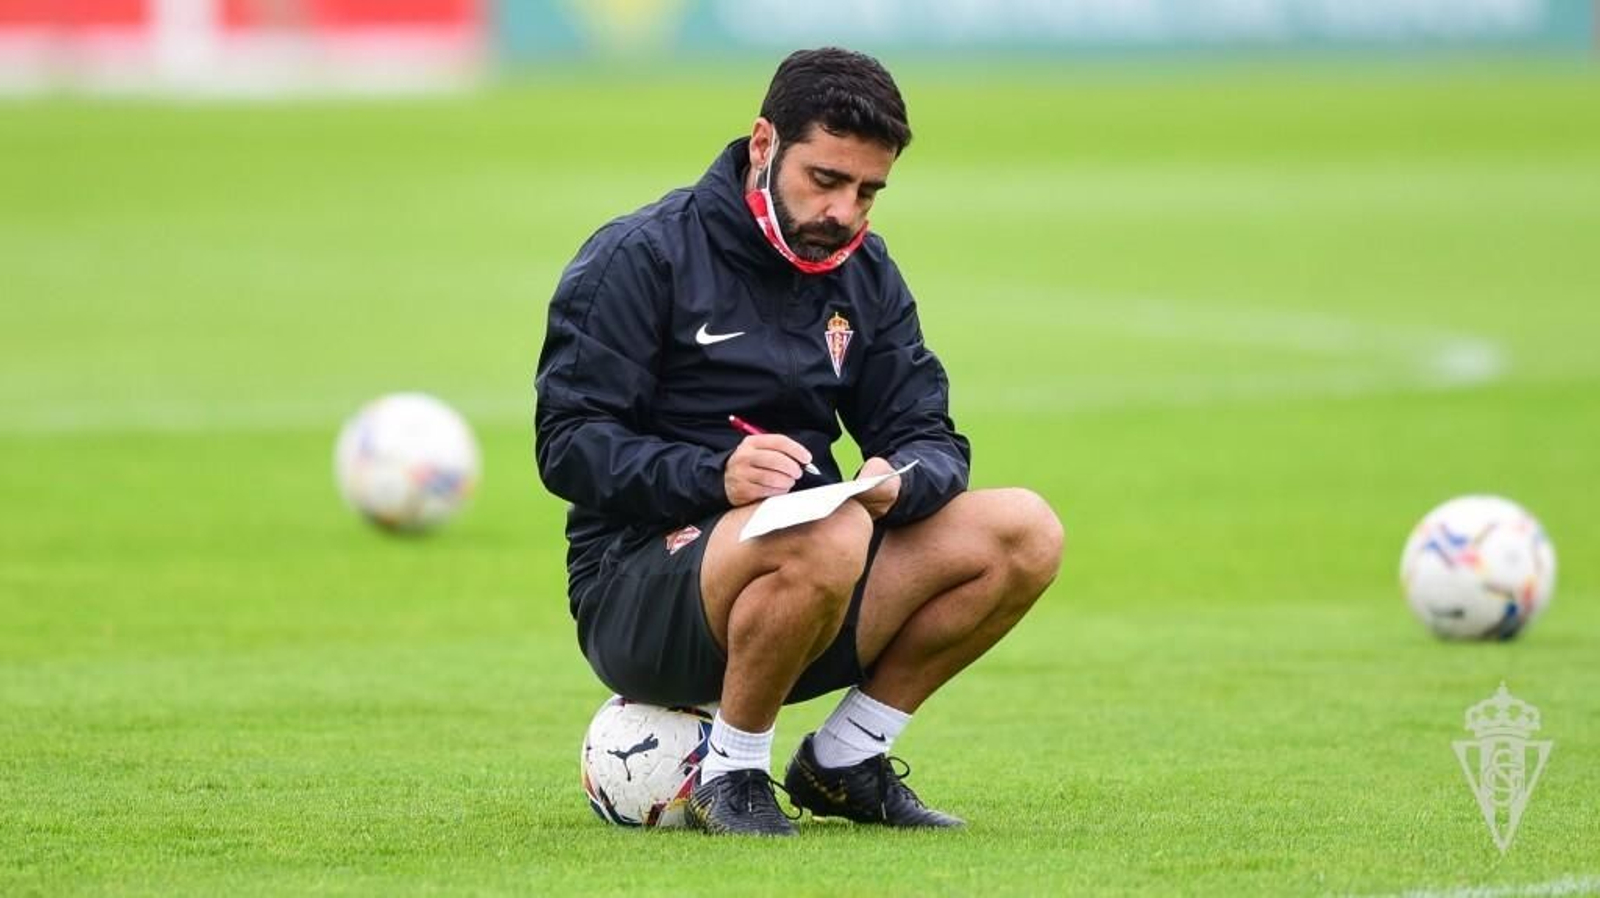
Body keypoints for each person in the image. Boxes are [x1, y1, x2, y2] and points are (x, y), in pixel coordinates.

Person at [534, 47, 1063, 836]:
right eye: (826, 180)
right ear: (763, 145)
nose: (845, 212)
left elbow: (928, 431)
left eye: (868, 191)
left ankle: (847, 760)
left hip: (813, 569)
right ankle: (733, 774)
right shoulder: (640, 255)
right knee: (827, 527)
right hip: (639, 588)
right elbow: (569, 444)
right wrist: (718, 475)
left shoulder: (864, 274)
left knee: (1023, 531)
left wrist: (900, 481)